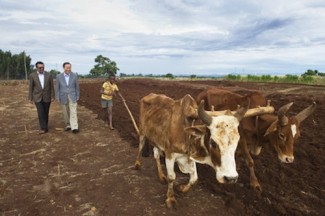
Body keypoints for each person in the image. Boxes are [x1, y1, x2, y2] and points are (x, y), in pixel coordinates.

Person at [28, 61, 55, 134]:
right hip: (37, 97)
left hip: (47, 96)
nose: (41, 69)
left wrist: (52, 96)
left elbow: (52, 87)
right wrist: (30, 98)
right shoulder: (32, 75)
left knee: (46, 112)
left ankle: (45, 125)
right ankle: (43, 128)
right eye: (40, 67)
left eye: (43, 67)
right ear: (36, 68)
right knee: (40, 112)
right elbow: (31, 87)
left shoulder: (49, 75)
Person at [55, 62, 80, 133]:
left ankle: (74, 127)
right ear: (64, 68)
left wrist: (77, 96)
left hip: (72, 96)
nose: (68, 69)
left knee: (73, 111)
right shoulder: (59, 76)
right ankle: (67, 125)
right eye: (67, 68)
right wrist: (57, 97)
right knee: (65, 112)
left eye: (69, 67)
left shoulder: (74, 75)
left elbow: (77, 87)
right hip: (63, 96)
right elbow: (57, 88)